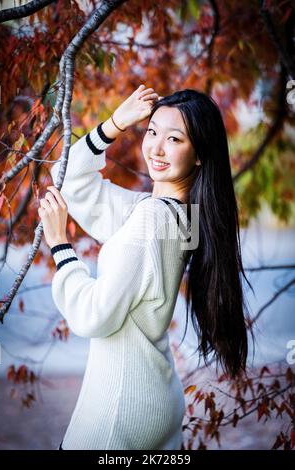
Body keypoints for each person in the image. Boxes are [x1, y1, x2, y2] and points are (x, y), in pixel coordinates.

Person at [38, 85, 252, 450]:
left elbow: (91, 316)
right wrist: (115, 123)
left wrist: (60, 245)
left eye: (174, 139)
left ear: (199, 154)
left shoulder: (151, 221)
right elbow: (70, 181)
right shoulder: (172, 215)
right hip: (153, 400)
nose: (155, 147)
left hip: (119, 412)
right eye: (152, 131)